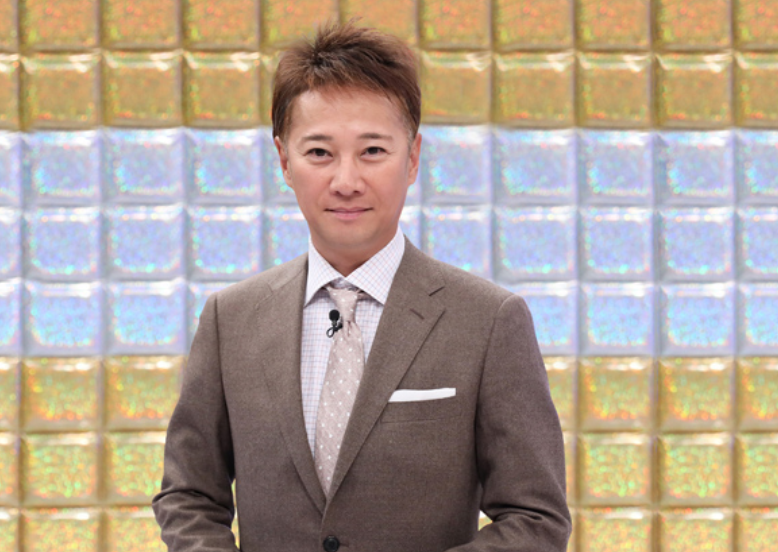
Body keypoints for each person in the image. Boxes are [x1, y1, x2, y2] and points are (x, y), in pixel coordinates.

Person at [152, 21, 571, 552]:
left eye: (372, 151)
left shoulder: (488, 320)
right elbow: (188, 496)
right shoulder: (229, 318)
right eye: (319, 153)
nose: (346, 181)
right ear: (284, 160)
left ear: (412, 158)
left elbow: (536, 518)